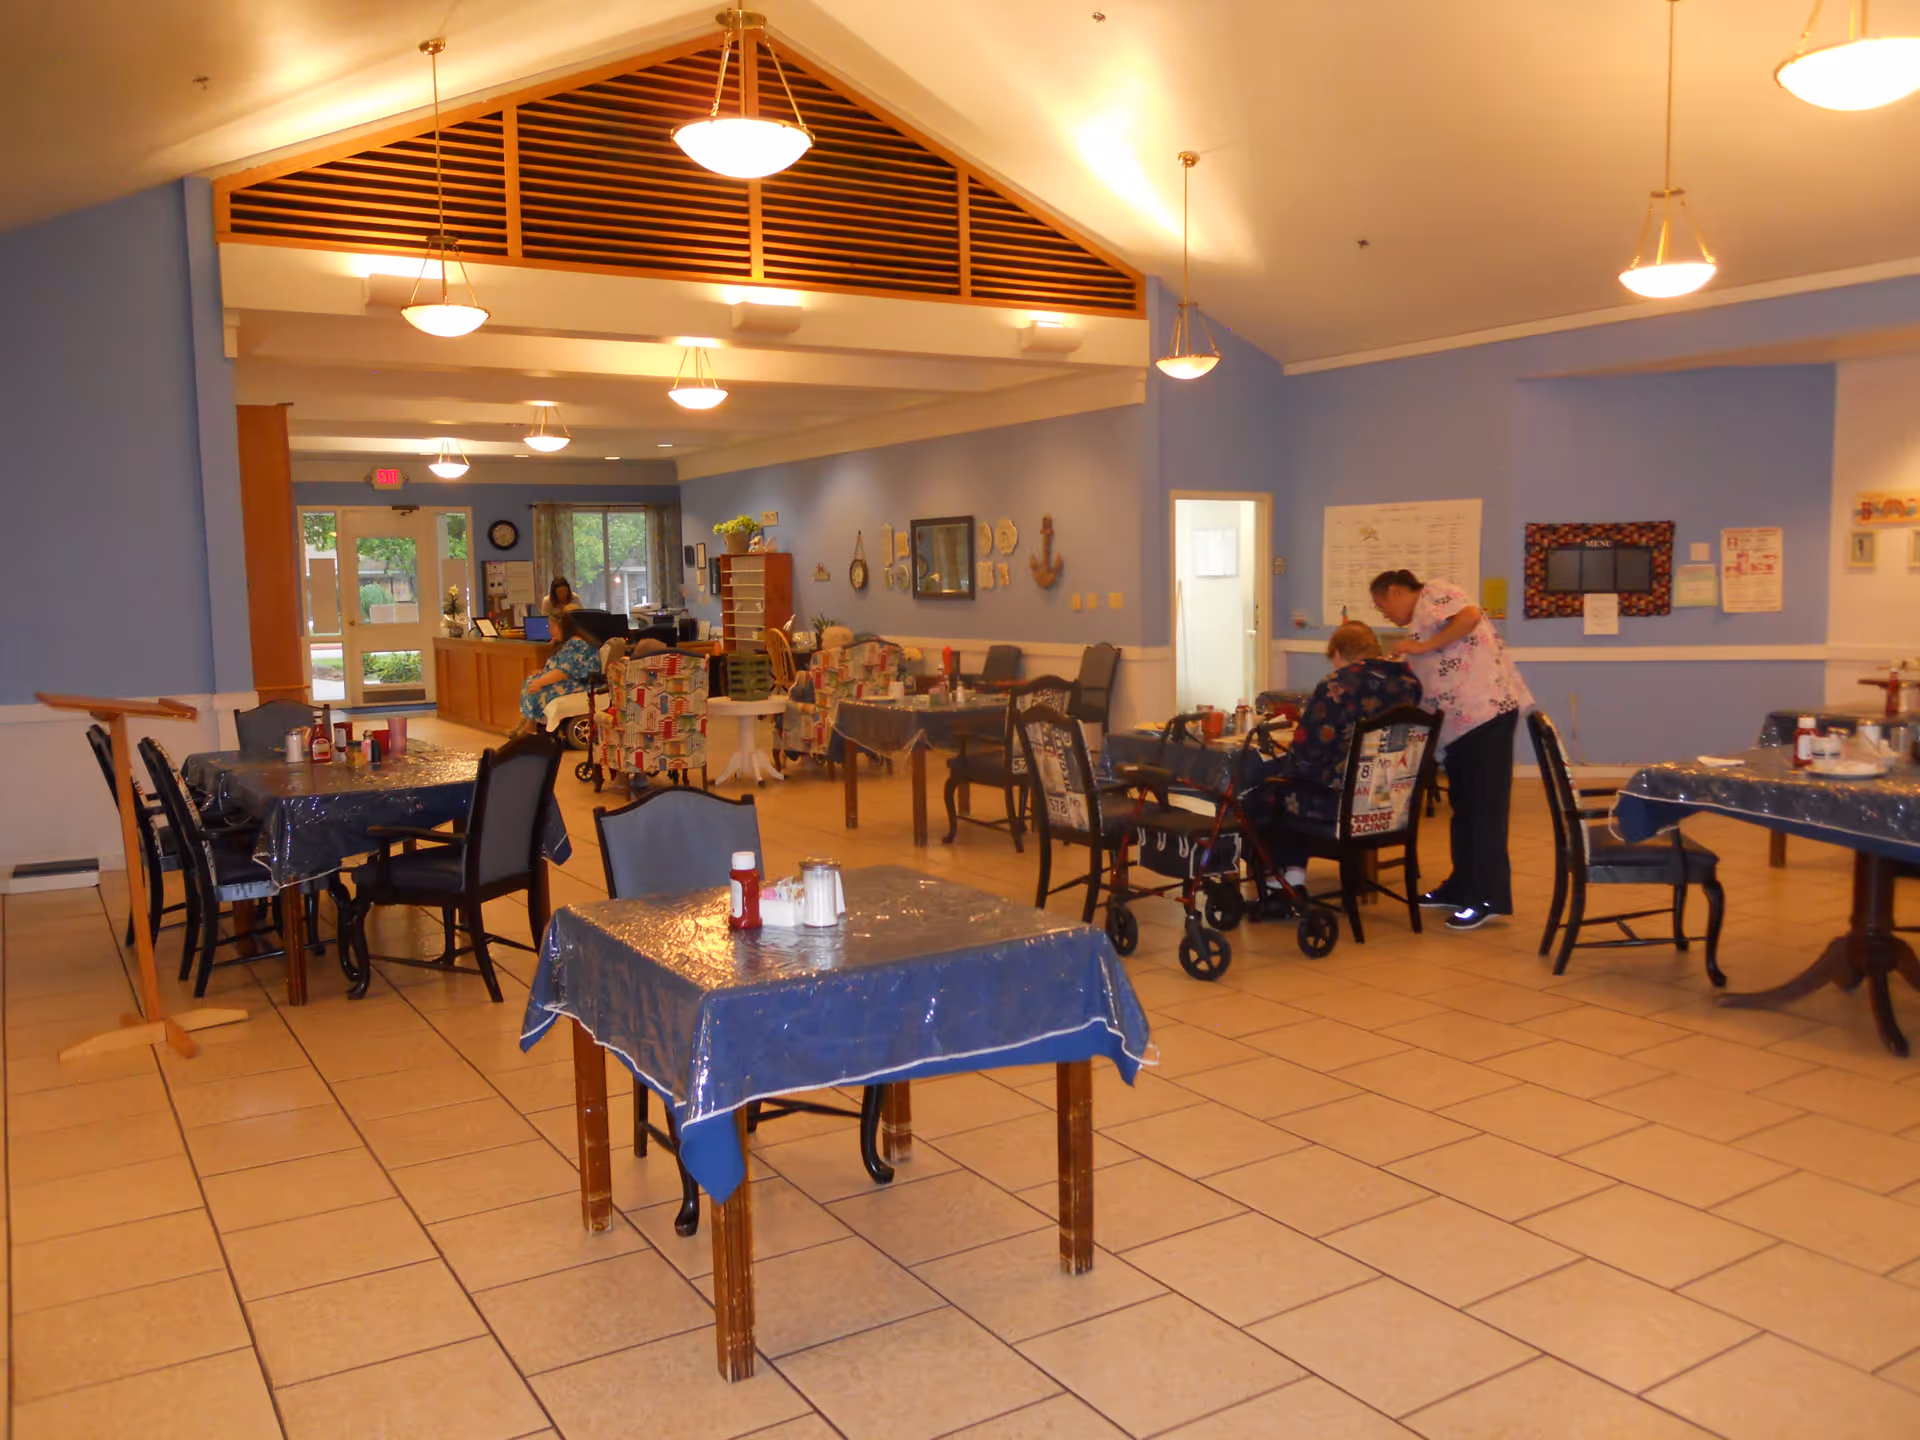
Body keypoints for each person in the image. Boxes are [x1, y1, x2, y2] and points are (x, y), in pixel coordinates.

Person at [1369, 568, 1533, 930]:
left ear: (1396, 591)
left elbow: (1470, 617)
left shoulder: (1436, 592)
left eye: (1383, 607)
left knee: (1485, 811)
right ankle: (1461, 886)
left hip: (1486, 715)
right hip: (1459, 727)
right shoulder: (1421, 625)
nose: (1386, 615)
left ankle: (1488, 898)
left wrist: (1422, 648)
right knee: (1464, 811)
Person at [1253, 621, 1424, 895]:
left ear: (1339, 653)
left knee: (1272, 791)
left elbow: (1308, 748)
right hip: (1392, 800)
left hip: (1345, 804)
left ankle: (1283, 879)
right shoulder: (1408, 683)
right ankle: (1294, 876)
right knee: (1295, 785)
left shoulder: (1337, 684)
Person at [510, 609, 599, 738]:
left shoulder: (577, 645)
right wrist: (541, 674)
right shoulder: (567, 643)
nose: (550, 631)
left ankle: (530, 725)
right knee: (531, 680)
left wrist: (540, 681)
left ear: (562, 627)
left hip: (581, 682)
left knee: (539, 687)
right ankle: (525, 720)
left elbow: (564, 672)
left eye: (552, 627)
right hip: (568, 678)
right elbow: (559, 667)